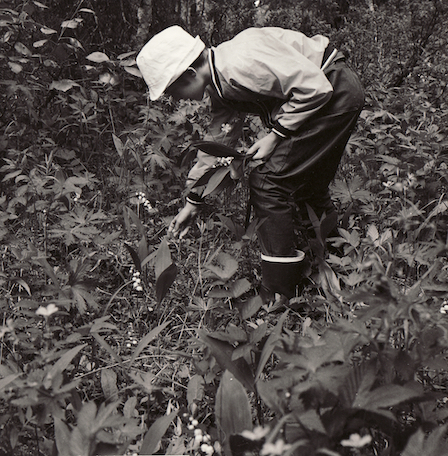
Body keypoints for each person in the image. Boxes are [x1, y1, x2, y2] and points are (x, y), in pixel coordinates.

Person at [136, 25, 364, 302]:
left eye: (172, 91)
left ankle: (279, 294)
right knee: (307, 185)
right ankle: (342, 259)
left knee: (268, 181)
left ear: (190, 75)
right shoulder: (220, 81)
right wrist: (193, 201)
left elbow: (315, 88)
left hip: (334, 91)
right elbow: (218, 139)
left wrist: (276, 135)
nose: (175, 99)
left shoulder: (238, 65)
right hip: (334, 92)